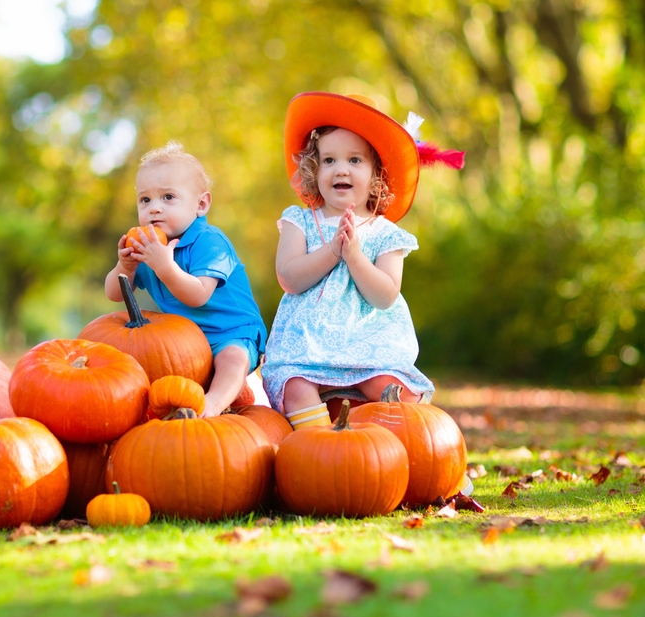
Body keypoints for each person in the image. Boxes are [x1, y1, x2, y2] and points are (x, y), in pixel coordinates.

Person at [261, 92, 464, 430]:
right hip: (307, 346)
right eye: (329, 160)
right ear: (314, 169)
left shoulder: (385, 233)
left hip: (369, 344)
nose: (341, 168)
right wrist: (333, 251)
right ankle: (316, 455)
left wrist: (354, 256)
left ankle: (405, 453)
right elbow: (290, 278)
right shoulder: (301, 221)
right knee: (295, 387)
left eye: (355, 160)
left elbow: (385, 295)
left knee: (390, 389)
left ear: (376, 175)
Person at [105, 141, 267, 418]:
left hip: (231, 333)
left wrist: (165, 267)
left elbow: (198, 294)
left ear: (201, 204)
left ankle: (213, 404)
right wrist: (126, 266)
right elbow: (114, 294)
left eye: (168, 197)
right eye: (145, 200)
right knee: (151, 361)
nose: (154, 208)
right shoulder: (149, 248)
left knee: (232, 360)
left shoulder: (210, 242)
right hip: (185, 344)